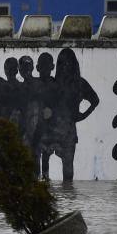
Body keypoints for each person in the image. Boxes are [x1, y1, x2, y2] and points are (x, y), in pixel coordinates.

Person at [39, 48, 99, 181]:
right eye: (62, 63)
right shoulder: (52, 82)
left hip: (68, 133)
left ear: (73, 64)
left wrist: (82, 115)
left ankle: (68, 198)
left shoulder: (79, 83)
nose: (65, 67)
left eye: (68, 63)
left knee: (68, 172)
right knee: (44, 174)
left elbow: (95, 100)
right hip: (49, 132)